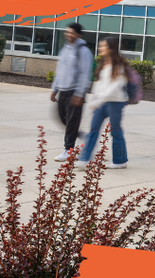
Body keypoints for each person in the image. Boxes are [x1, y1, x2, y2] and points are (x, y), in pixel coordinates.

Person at [76, 36, 131, 170]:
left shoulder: (119, 65)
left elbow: (115, 87)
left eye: (103, 46)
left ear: (111, 48)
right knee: (93, 130)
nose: (100, 48)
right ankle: (84, 159)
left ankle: (120, 161)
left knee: (115, 131)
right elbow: (98, 85)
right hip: (101, 103)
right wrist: (93, 101)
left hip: (116, 102)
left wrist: (99, 100)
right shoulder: (102, 64)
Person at [50, 23, 93, 161]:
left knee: (71, 122)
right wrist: (54, 89)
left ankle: (68, 150)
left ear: (78, 35)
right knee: (62, 119)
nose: (69, 35)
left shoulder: (84, 51)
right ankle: (82, 136)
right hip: (63, 90)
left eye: (72, 33)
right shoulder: (65, 48)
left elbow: (85, 74)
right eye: (67, 32)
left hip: (75, 92)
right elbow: (59, 70)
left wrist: (80, 94)